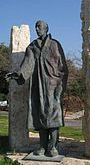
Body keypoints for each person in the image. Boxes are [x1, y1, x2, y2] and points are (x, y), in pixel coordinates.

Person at [6, 20, 68, 157]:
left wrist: (60, 87)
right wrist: (17, 74)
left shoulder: (55, 45)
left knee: (53, 117)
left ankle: (53, 147)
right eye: (36, 27)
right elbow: (27, 65)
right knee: (40, 115)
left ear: (46, 28)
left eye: (39, 27)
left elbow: (63, 68)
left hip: (53, 86)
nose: (37, 29)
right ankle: (42, 146)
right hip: (38, 86)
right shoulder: (32, 47)